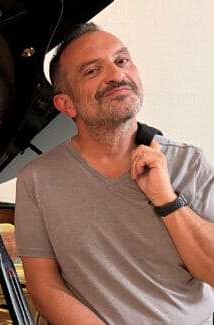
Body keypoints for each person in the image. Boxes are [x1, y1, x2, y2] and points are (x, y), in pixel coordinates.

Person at [14, 22, 214, 324]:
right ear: (65, 104)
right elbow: (45, 287)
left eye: (121, 61)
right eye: (92, 71)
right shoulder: (36, 180)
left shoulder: (188, 162)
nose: (117, 75)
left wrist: (166, 198)